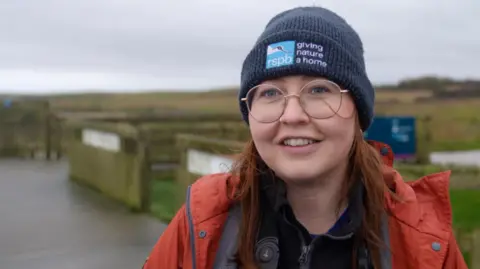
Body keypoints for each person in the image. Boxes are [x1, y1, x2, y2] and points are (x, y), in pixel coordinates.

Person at [143, 6, 467, 269]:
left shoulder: (422, 238)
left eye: (318, 90)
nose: (293, 115)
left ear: (358, 112)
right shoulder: (201, 223)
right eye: (270, 92)